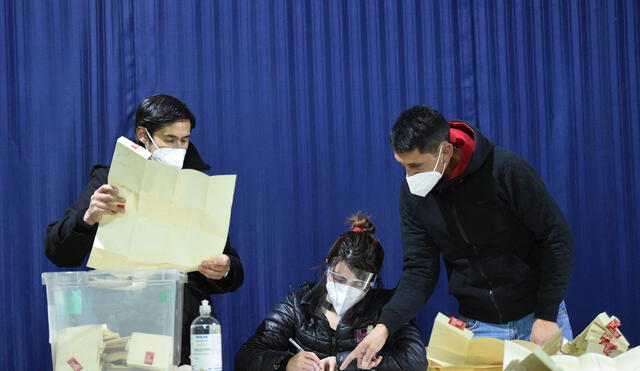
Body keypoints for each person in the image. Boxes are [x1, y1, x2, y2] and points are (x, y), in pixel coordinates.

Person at [341, 105, 574, 370]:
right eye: (402, 166)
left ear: (445, 151)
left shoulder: (505, 170)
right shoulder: (413, 195)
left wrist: (546, 314)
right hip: (479, 327)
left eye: (415, 165)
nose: (408, 176)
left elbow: (556, 237)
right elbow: (420, 270)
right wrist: (384, 326)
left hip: (540, 320)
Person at [44, 94, 244, 365]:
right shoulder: (108, 180)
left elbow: (231, 268)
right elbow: (58, 252)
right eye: (169, 140)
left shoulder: (199, 186)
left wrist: (225, 268)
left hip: (179, 327)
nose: (179, 148)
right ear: (143, 134)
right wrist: (88, 217)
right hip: (118, 327)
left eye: (184, 140)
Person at [235, 214, 427, 371]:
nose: (347, 289)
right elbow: (247, 355)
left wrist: (345, 363)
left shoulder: (388, 308)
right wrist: (287, 363)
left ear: (372, 282)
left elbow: (415, 360)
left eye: (358, 283)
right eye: (340, 279)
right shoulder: (299, 305)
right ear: (329, 266)